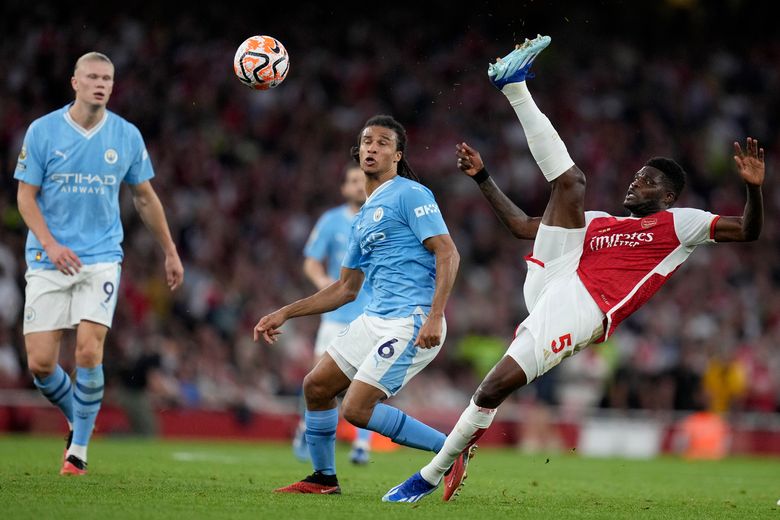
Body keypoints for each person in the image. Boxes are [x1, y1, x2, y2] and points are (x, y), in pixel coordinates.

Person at [383, 34, 764, 503]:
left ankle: (431, 472)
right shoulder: (602, 222)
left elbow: (746, 230)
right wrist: (483, 178)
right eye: (636, 174)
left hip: (585, 306)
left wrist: (753, 189)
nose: (635, 181)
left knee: (492, 387)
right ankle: (513, 84)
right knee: (570, 188)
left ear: (666, 196)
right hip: (554, 276)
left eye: (647, 182)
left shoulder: (680, 224)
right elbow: (525, 226)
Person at [254, 115, 461, 494]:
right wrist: (285, 312)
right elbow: (346, 289)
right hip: (374, 318)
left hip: (411, 320)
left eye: (383, 143)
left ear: (397, 155)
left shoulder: (411, 194)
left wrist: (435, 315)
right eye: (367, 141)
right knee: (316, 386)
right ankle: (323, 478)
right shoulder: (362, 218)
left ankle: (451, 450)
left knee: (356, 409)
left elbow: (448, 253)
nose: (372, 147)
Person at [14, 52, 184, 475]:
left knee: (89, 351)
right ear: (74, 81)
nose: (100, 83)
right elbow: (24, 196)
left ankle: (79, 451)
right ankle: (77, 416)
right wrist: (51, 245)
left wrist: (170, 250)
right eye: (91, 76)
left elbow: (144, 196)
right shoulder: (43, 131)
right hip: (47, 259)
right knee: (40, 364)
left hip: (101, 258)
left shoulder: (125, 135)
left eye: (107, 78)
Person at [292, 165, 374, 465]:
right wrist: (321, 282)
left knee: (367, 379)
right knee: (318, 379)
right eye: (353, 181)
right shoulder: (331, 220)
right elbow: (311, 261)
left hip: (370, 314)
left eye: (363, 181)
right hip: (336, 314)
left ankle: (362, 445)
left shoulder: (381, 218)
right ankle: (306, 428)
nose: (359, 186)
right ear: (343, 189)